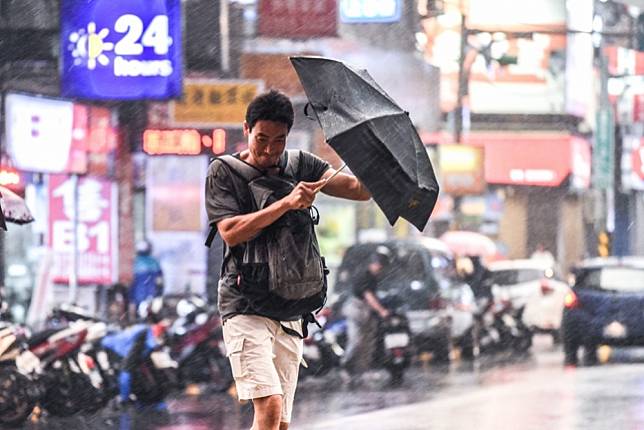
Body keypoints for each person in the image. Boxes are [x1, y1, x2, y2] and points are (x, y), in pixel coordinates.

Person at [205, 89, 371, 430]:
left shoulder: (302, 165)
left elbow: (359, 190)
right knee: (268, 408)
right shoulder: (224, 171)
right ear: (247, 129)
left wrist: (367, 149)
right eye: (261, 138)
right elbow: (231, 232)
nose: (268, 150)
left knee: (280, 422)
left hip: (291, 307)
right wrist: (285, 204)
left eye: (278, 141)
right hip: (244, 304)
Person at [341, 246, 391, 382]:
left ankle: (362, 371)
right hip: (356, 310)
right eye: (379, 266)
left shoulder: (374, 277)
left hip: (367, 313)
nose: (380, 270)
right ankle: (346, 368)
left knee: (368, 345)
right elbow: (368, 295)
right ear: (375, 264)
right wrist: (381, 311)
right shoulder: (364, 274)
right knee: (356, 342)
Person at [129, 240, 164, 321]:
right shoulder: (154, 262)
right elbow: (160, 280)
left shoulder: (135, 261)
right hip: (150, 292)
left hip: (139, 292)